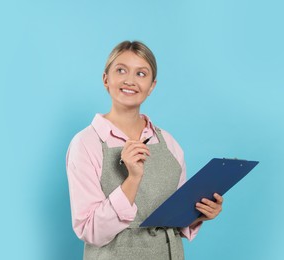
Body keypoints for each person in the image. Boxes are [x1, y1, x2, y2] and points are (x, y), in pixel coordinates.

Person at [66, 40, 223, 260]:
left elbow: (176, 217)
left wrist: (200, 214)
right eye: (121, 70)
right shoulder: (86, 143)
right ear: (106, 79)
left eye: (141, 74)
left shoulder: (168, 143)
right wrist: (132, 180)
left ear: (152, 86)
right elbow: (90, 231)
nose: (130, 80)